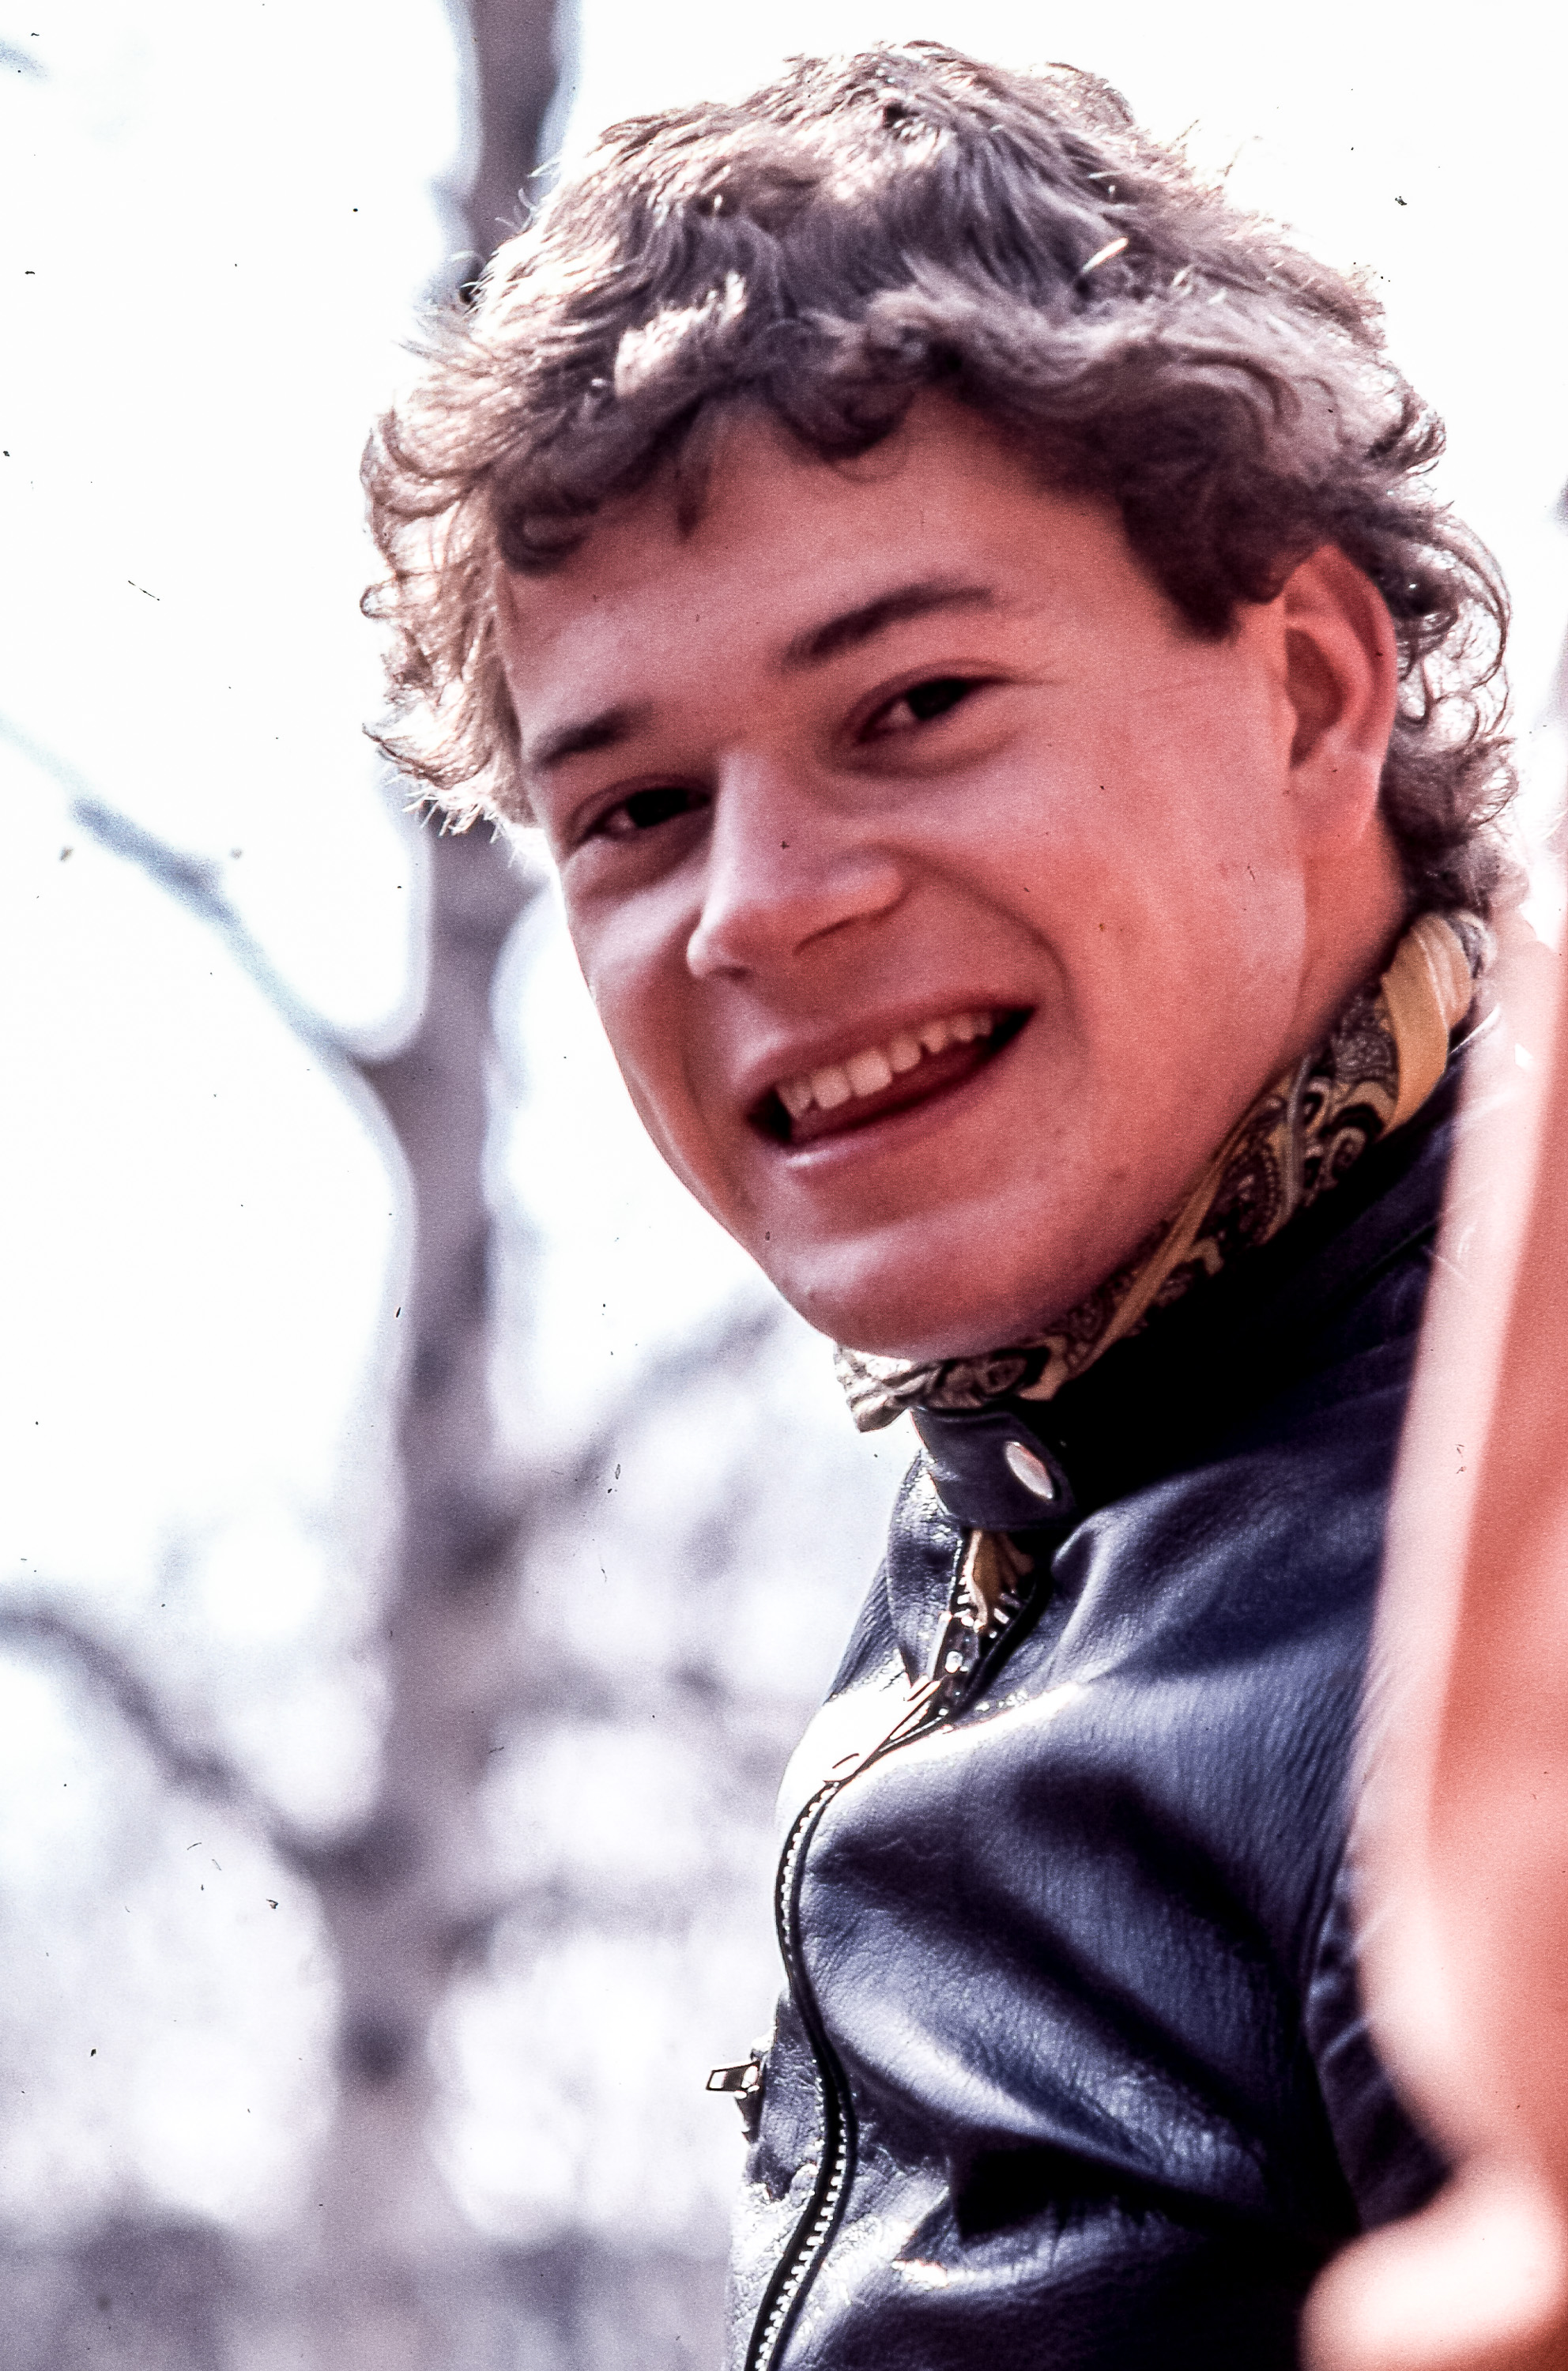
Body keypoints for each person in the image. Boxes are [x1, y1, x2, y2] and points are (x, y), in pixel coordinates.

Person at [363, 44, 1518, 2367]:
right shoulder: (1064, 1449)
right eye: (635, 813)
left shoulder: (1500, 1616)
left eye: (912, 705)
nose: (753, 912)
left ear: (1310, 688)